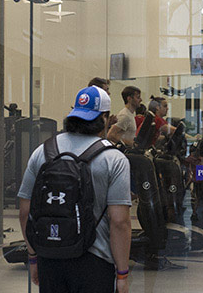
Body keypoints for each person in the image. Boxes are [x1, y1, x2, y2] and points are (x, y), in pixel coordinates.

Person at [18, 86, 132, 293]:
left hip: (49, 258)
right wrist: (122, 274)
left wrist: (33, 258)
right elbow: (119, 222)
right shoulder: (114, 159)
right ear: (105, 118)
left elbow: (25, 212)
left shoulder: (42, 152)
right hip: (95, 262)